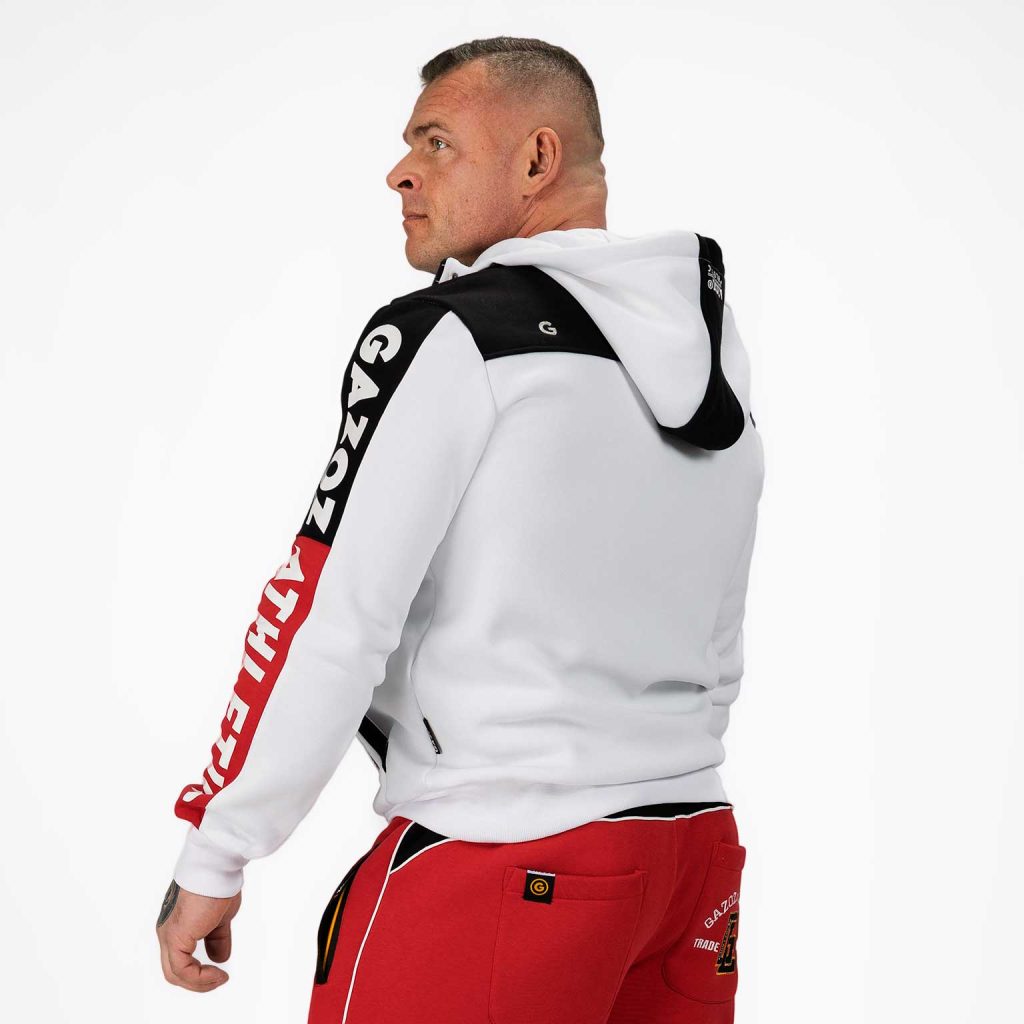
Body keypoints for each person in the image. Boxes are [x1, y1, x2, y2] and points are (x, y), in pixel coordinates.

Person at [155, 36, 764, 1024]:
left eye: (436, 142)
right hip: (691, 855)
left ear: (537, 159)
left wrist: (218, 846)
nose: (400, 172)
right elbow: (718, 610)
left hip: (499, 856)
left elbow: (328, 611)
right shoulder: (705, 345)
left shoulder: (451, 334)